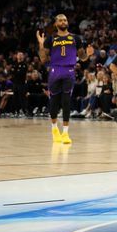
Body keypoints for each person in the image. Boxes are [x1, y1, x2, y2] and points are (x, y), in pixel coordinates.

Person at [36, 14, 92, 144]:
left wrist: (88, 55)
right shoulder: (51, 39)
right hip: (55, 70)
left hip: (69, 70)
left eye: (65, 20)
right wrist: (41, 45)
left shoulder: (75, 38)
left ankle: (65, 133)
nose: (63, 22)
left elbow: (82, 57)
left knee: (66, 101)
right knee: (54, 101)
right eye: (60, 20)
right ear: (56, 24)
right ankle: (54, 128)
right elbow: (43, 59)